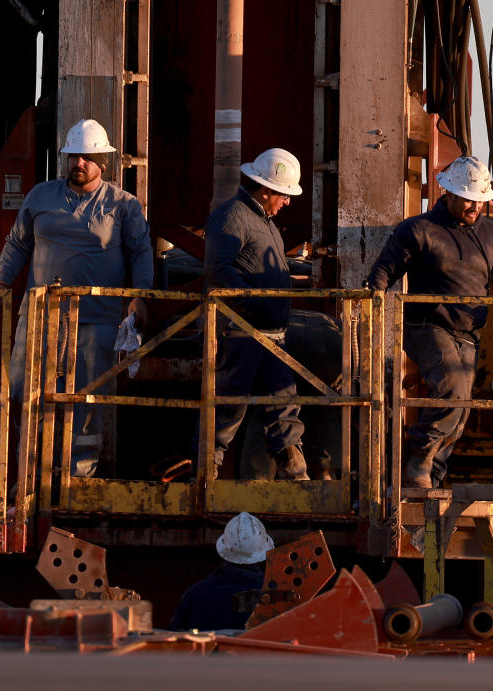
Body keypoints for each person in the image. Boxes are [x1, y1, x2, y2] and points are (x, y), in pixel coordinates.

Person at [0, 118, 153, 478]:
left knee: (84, 401)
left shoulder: (123, 205)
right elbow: (17, 243)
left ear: (103, 163)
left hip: (95, 321)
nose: (79, 163)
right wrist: (2, 281)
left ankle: (76, 480)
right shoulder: (40, 196)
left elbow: (141, 251)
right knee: (22, 392)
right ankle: (28, 476)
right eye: (73, 156)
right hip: (39, 316)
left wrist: (139, 297)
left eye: (87, 157)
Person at [365, 155, 493, 489]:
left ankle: (429, 477)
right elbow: (383, 272)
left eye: (481, 201)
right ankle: (418, 464)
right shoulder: (419, 230)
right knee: (452, 393)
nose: (475, 207)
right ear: (449, 194)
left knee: (462, 411)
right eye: (469, 199)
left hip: (468, 331)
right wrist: (370, 302)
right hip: (427, 325)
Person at [202, 148, 307, 480]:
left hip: (269, 334)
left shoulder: (262, 220)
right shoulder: (232, 216)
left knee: (284, 402)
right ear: (267, 190)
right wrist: (251, 302)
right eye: (285, 195)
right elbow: (218, 269)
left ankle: (294, 469)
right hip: (242, 333)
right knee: (229, 407)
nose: (287, 203)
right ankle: (206, 473)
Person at [170, 511, 273, 631]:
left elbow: (175, 638)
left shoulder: (195, 594)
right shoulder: (276, 595)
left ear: (224, 551)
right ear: (263, 553)